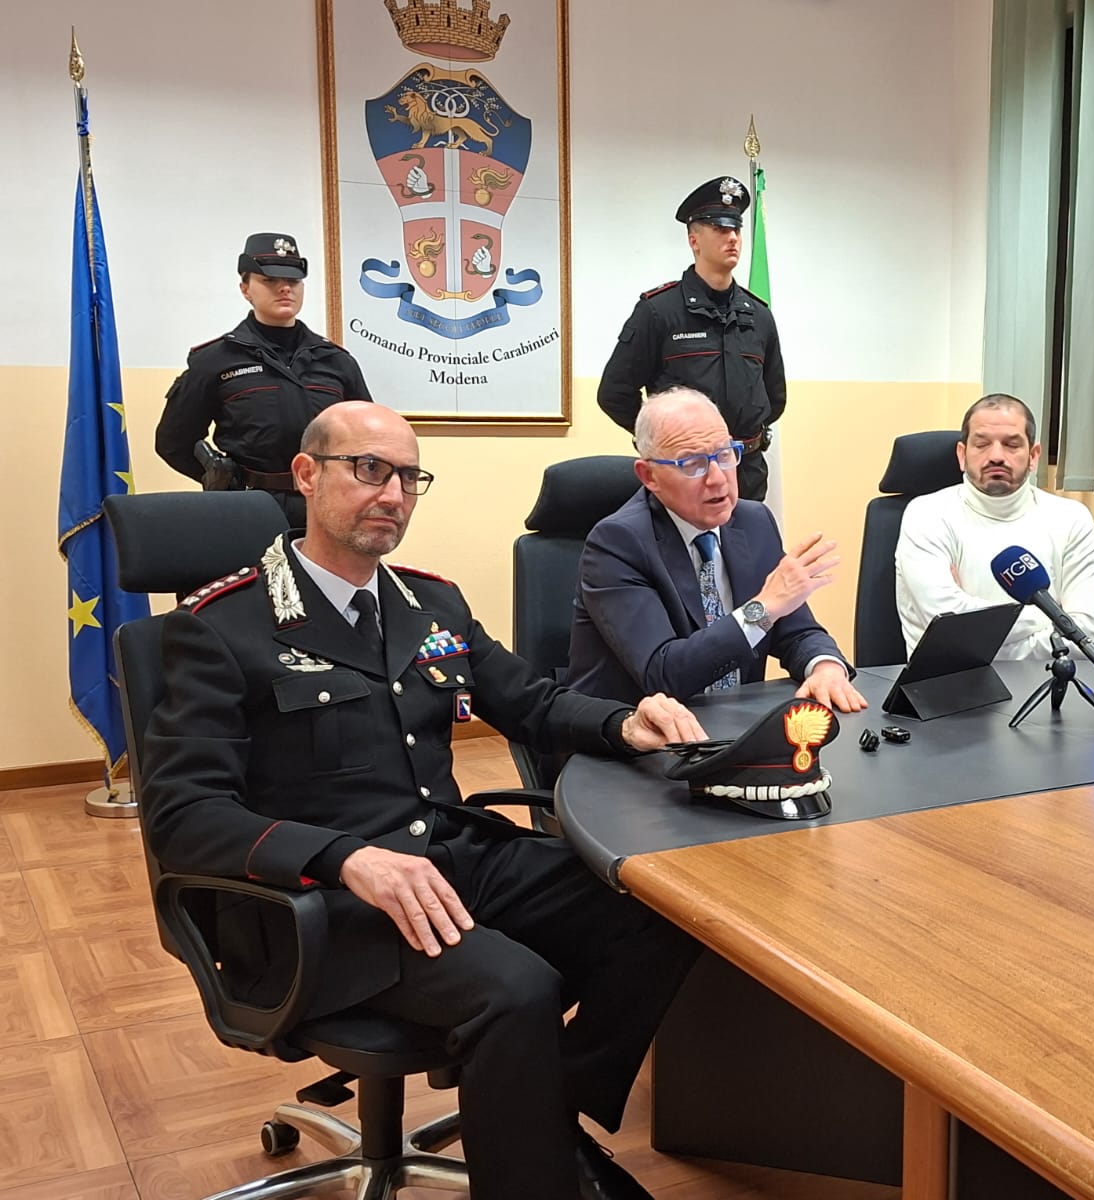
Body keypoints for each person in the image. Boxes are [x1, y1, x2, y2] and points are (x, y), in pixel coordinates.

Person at [140, 401, 704, 1200]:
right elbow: (183, 815)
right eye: (369, 470)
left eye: (408, 477)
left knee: (662, 905)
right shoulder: (223, 625)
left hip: (446, 861)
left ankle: (544, 1117)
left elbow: (532, 703)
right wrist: (346, 859)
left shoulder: (430, 604)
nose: (393, 494)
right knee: (515, 990)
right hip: (323, 905)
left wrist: (625, 723)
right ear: (307, 475)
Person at [567, 388, 864, 711]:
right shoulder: (617, 543)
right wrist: (761, 610)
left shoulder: (754, 522)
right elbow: (663, 674)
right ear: (649, 475)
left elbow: (797, 631)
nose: (718, 479)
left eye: (725, 455)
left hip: (732, 724)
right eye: (693, 463)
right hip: (637, 730)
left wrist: (825, 667)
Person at [155, 233, 371, 527]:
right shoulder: (216, 359)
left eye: (293, 281)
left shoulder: (335, 360)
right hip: (249, 506)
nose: (285, 288)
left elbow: (366, 438)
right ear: (245, 289)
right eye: (269, 280)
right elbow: (173, 441)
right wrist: (222, 479)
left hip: (327, 503)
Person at [596, 178, 785, 501]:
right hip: (686, 472)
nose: (732, 238)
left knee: (749, 535)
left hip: (747, 472)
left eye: (736, 230)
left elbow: (774, 398)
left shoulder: (758, 315)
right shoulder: (659, 311)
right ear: (693, 240)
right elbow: (614, 393)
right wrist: (663, 438)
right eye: (720, 229)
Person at [895, 394, 1094, 661]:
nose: (996, 456)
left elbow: (1085, 638)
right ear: (962, 455)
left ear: (1033, 456)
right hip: (952, 682)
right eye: (982, 444)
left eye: (1011, 445)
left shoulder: (1071, 518)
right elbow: (950, 631)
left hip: (1048, 680)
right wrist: (1051, 615)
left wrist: (975, 628)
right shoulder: (927, 515)